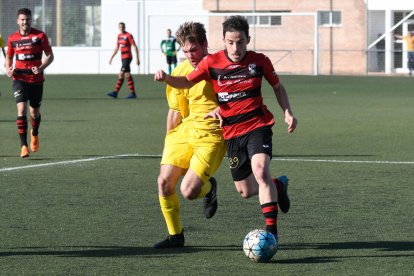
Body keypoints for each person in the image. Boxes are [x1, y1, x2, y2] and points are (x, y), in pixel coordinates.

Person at [155, 15, 297, 240]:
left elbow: (267, 88)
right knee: (243, 190)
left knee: (255, 173)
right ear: (223, 40)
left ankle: (271, 233)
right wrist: (168, 80)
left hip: (240, 129)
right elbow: (181, 98)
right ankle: (278, 186)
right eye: (231, 42)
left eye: (240, 42)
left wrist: (287, 112)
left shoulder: (244, 62)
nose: (236, 47)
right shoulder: (198, 68)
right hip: (208, 132)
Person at [153, 22, 226, 249]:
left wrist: (224, 110)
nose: (189, 55)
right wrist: (169, 141)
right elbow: (175, 110)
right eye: (185, 51)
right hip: (184, 132)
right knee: (164, 182)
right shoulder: (181, 71)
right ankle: (176, 236)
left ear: (205, 45)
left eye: (193, 50)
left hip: (212, 135)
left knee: (189, 191)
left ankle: (209, 188)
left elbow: (240, 100)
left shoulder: (221, 68)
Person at [5, 8, 54, 158]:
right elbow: (9, 58)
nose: (25, 22)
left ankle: (35, 133)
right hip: (19, 79)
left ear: (31, 20)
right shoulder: (12, 38)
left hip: (36, 80)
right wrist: (8, 69)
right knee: (21, 110)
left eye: (27, 19)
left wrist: (40, 68)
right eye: (22, 19)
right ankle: (23, 146)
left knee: (34, 112)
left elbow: (50, 56)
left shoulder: (40, 36)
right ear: (17, 21)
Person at [107, 22, 140, 99]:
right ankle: (133, 93)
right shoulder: (119, 36)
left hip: (128, 57)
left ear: (125, 27)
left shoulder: (128, 35)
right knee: (127, 74)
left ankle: (115, 92)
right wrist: (112, 57)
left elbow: (135, 46)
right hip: (123, 58)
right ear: (118, 28)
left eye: (122, 27)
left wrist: (137, 58)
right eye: (120, 27)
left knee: (121, 73)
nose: (121, 28)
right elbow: (117, 47)